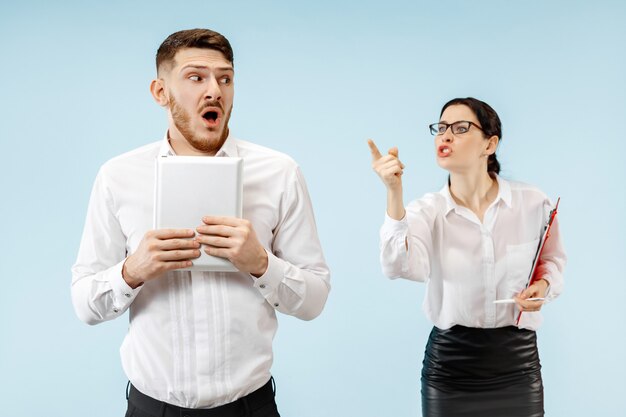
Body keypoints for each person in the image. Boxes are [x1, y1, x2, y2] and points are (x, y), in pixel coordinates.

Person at [71, 28, 330, 417]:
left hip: (250, 408)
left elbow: (314, 300)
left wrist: (262, 263)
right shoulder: (117, 176)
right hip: (151, 409)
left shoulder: (280, 172)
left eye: (225, 78)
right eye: (196, 77)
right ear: (161, 92)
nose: (215, 91)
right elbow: (85, 305)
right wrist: (132, 271)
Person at [368, 97, 566, 417]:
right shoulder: (426, 210)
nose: (445, 136)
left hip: (517, 363)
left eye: (460, 129)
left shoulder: (533, 203)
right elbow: (398, 266)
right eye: (441, 128)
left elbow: (552, 261)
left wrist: (542, 287)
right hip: (450, 367)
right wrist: (394, 192)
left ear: (490, 143)